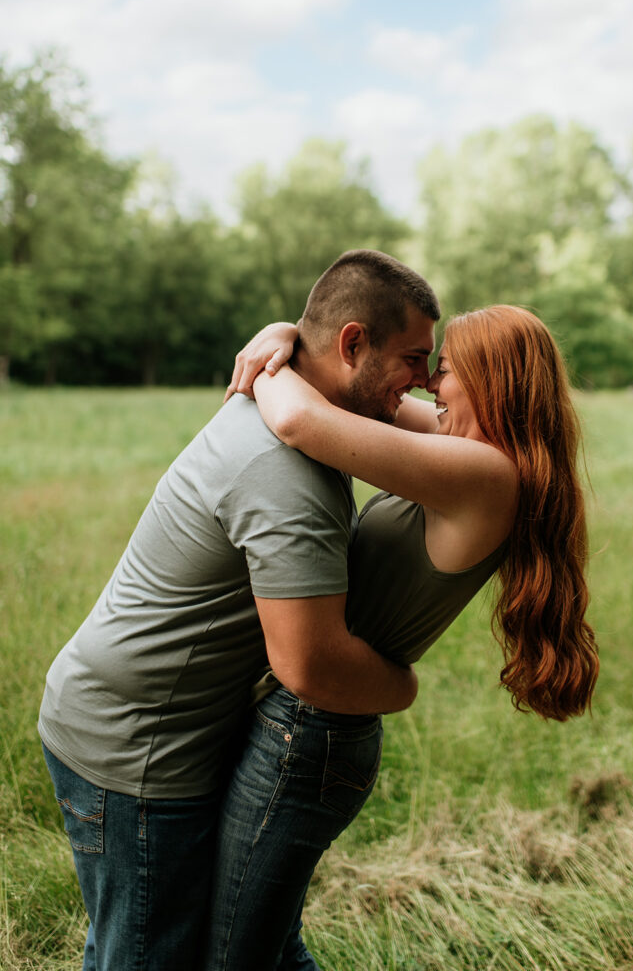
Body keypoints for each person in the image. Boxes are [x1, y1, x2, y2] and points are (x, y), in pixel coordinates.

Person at [38, 249, 441, 971]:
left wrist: (285, 334)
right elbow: (310, 665)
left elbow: (436, 424)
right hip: (135, 750)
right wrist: (403, 685)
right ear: (352, 344)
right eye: (414, 359)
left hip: (142, 722)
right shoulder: (286, 472)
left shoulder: (300, 409)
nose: (427, 382)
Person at [204, 303, 599, 970]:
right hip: (310, 720)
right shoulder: (468, 451)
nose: (426, 386)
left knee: (233, 958)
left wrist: (262, 364)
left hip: (310, 733)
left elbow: (301, 420)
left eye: (442, 371)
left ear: (488, 383)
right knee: (265, 947)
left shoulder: (484, 476)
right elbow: (360, 405)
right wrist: (282, 337)